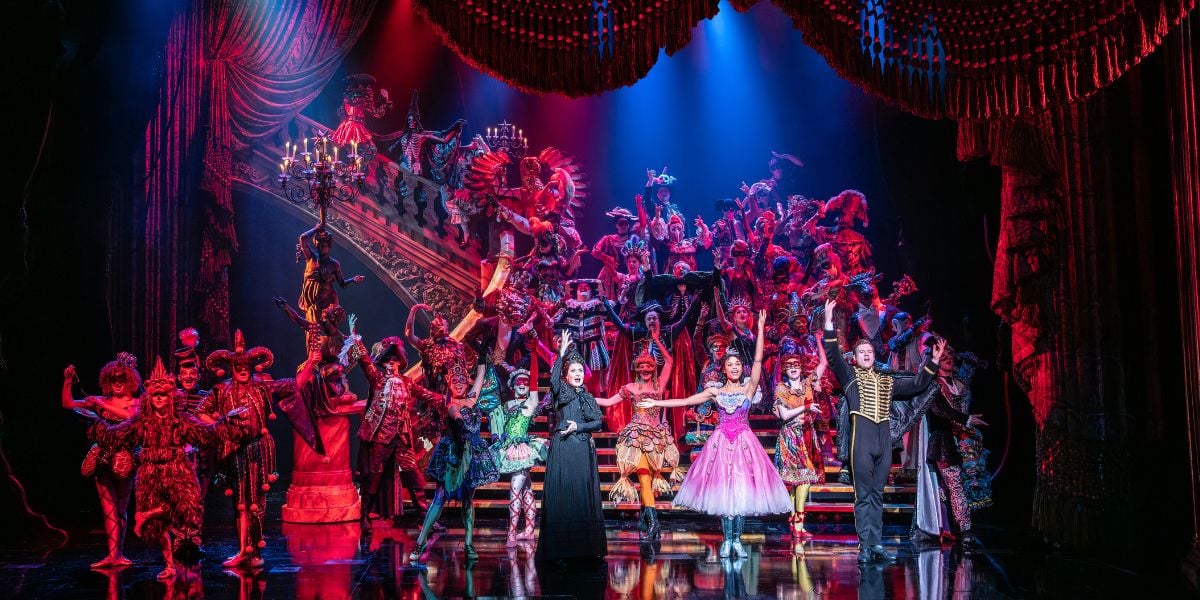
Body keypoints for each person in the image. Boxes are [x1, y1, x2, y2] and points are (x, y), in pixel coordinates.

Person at [640, 311, 791, 559]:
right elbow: (686, 400)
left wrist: (761, 328)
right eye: (729, 365)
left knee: (740, 494)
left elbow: (758, 360)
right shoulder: (715, 391)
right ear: (723, 369)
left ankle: (737, 542)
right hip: (721, 444)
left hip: (743, 443)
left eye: (737, 365)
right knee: (724, 494)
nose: (734, 367)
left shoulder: (748, 388)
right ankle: (727, 540)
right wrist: (656, 405)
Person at [821, 298, 944, 564]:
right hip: (861, 440)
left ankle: (876, 544)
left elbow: (916, 385)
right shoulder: (850, 377)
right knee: (863, 496)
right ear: (854, 358)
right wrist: (829, 322)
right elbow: (832, 354)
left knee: (877, 494)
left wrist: (932, 362)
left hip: (884, 439)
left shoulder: (888, 380)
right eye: (861, 352)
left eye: (870, 351)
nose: (866, 354)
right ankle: (865, 545)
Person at [103, 358, 245, 580]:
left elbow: (205, 434)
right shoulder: (143, 421)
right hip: (151, 472)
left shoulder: (181, 420)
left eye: (163, 395)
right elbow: (121, 433)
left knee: (186, 509)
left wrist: (225, 421)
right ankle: (169, 564)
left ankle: (147, 514)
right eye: (156, 396)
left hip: (177, 469)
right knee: (158, 527)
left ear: (169, 397)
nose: (159, 399)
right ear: (150, 398)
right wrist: (100, 427)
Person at [409, 362, 500, 563]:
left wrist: (483, 355)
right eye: (454, 381)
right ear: (449, 384)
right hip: (452, 453)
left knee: (468, 499)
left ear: (466, 382)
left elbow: (481, 374)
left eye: (461, 380)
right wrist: (458, 421)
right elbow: (454, 413)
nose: (458, 383)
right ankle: (421, 541)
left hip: (472, 454)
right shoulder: (449, 402)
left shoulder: (472, 399)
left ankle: (468, 544)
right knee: (440, 497)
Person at [595, 335, 680, 541]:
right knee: (642, 474)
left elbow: (669, 361)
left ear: (653, 368)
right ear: (637, 368)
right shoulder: (630, 387)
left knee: (649, 479)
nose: (645, 370)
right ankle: (654, 523)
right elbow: (607, 402)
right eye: (641, 366)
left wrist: (657, 340)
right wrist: (581, 395)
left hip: (656, 436)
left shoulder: (660, 384)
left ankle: (644, 516)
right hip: (635, 435)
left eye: (648, 366)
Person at [61, 353, 141, 569]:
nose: (117, 383)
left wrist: (100, 404)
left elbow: (131, 418)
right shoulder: (101, 401)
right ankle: (112, 555)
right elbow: (68, 404)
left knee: (122, 509)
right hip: (103, 458)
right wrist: (68, 380)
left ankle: (120, 553)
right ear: (107, 381)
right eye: (113, 379)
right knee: (108, 509)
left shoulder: (135, 402)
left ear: (129, 380)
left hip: (126, 458)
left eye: (121, 379)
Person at [536, 331, 608, 564]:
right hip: (564, 447)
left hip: (582, 449)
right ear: (566, 375)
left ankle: (585, 549)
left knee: (583, 495)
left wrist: (579, 426)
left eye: (580, 370)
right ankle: (561, 551)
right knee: (565, 495)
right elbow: (554, 378)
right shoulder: (560, 392)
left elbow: (597, 422)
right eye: (572, 371)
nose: (577, 374)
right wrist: (562, 352)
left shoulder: (587, 397)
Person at [924, 345, 990, 548]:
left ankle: (952, 527)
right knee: (954, 486)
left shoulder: (960, 383)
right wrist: (967, 419)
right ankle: (965, 529)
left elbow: (972, 368)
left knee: (962, 484)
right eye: (943, 356)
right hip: (945, 441)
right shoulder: (932, 385)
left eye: (950, 355)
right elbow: (940, 410)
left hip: (966, 441)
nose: (948, 358)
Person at [489, 365, 547, 546]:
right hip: (508, 448)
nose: (523, 384)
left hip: (521, 450)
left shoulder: (529, 404)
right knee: (526, 490)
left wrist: (535, 353)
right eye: (519, 381)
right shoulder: (506, 406)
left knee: (515, 490)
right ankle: (529, 530)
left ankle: (512, 533)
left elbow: (535, 390)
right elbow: (497, 423)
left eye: (526, 382)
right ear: (512, 385)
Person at [774, 346, 828, 540]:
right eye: (789, 366)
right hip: (791, 436)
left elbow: (823, 363)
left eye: (796, 365)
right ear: (785, 370)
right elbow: (784, 415)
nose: (793, 368)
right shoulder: (782, 388)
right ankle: (797, 523)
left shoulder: (808, 383)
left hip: (807, 434)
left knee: (803, 480)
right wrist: (805, 407)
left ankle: (796, 522)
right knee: (799, 480)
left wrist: (821, 339)